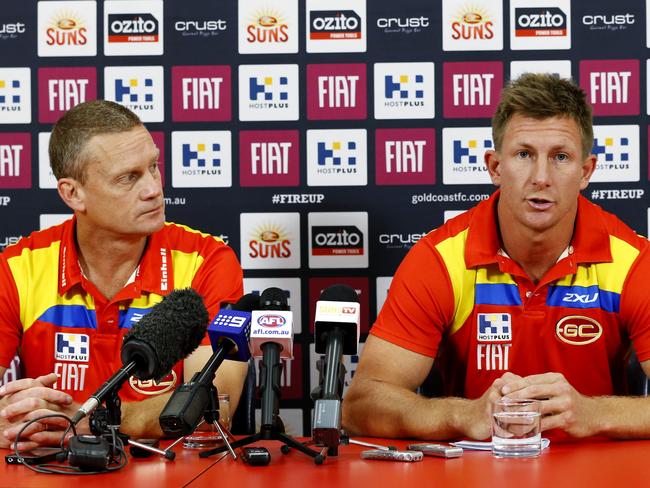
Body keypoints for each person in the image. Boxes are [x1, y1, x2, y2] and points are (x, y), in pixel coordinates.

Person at [343, 73, 650, 441]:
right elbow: (360, 406)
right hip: (476, 472)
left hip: (597, 473)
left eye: (561, 157)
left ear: (585, 171)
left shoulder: (632, 261)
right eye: (524, 154)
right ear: (495, 167)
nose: (541, 177)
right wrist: (463, 413)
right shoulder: (441, 259)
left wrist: (591, 412)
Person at [0, 100, 248, 450]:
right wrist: (9, 421)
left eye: (153, 167)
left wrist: (92, 422)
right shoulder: (18, 267)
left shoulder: (205, 261)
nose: (152, 189)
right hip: (54, 468)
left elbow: (214, 404)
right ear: (74, 194)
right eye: (128, 178)